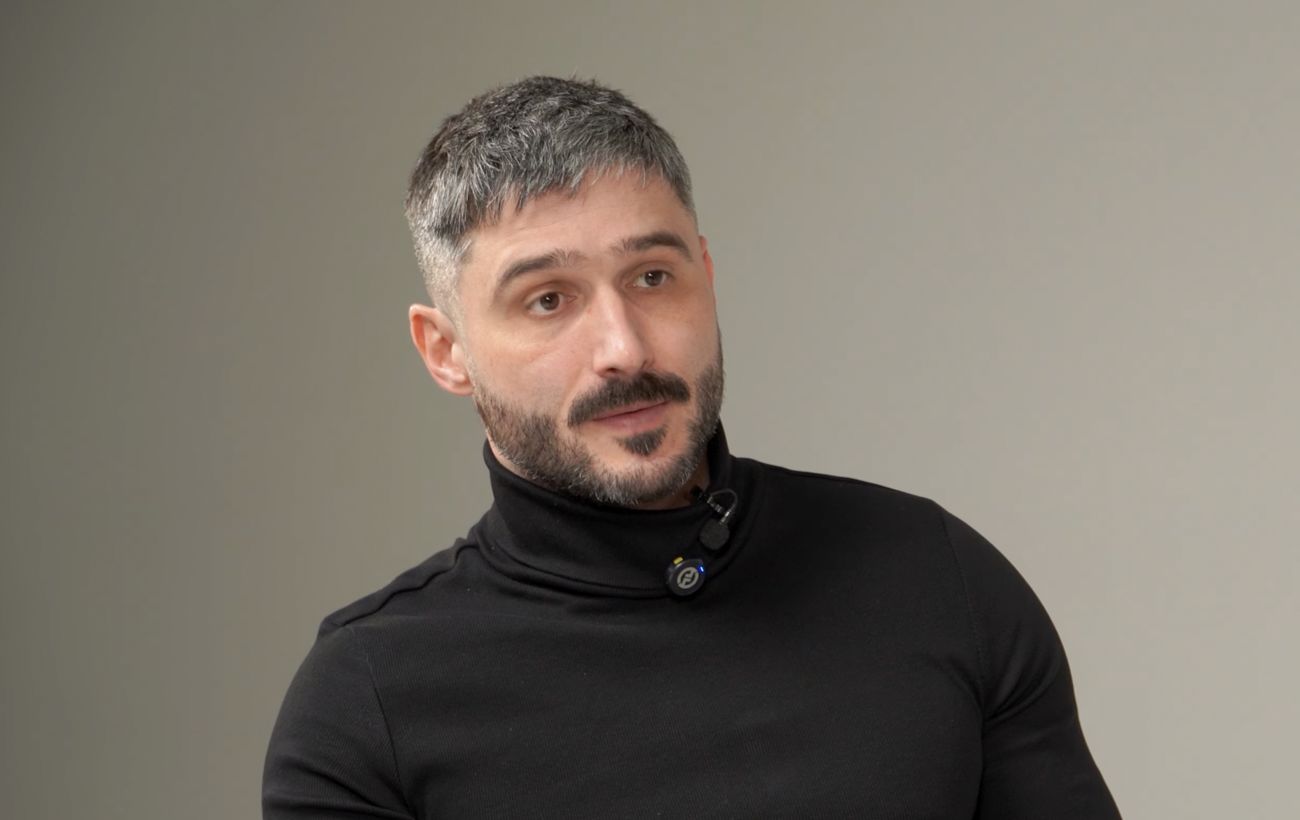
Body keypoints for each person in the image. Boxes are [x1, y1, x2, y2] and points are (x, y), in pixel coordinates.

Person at [263, 76, 1121, 818]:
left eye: (652, 278)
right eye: (548, 300)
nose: (624, 348)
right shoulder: (367, 699)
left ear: (705, 277)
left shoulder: (934, 575)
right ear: (446, 351)